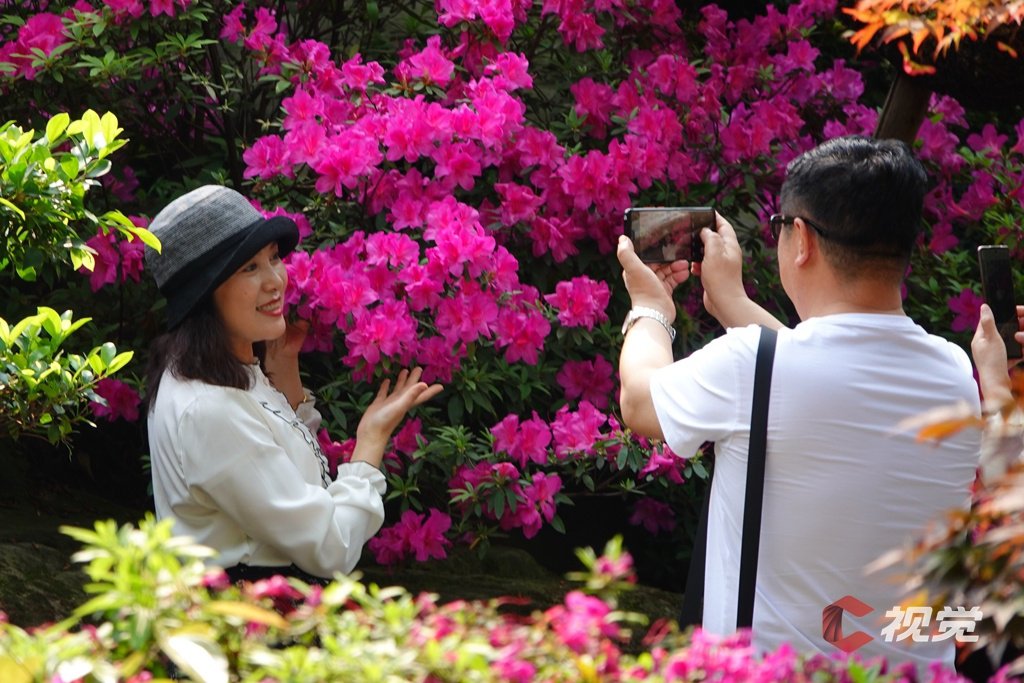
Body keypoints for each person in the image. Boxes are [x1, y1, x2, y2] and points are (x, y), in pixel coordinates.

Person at [617, 136, 982, 669]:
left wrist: (650, 309)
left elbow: (639, 401)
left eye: (780, 227)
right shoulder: (953, 374)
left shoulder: (752, 367)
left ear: (802, 239)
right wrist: (736, 304)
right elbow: (821, 375)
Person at [144, 185, 442, 584]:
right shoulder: (209, 407)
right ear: (203, 295)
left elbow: (290, 480)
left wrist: (285, 372)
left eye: (273, 259)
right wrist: (370, 443)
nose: (275, 281)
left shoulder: (214, 372)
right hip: (257, 630)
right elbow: (330, 546)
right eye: (249, 268)